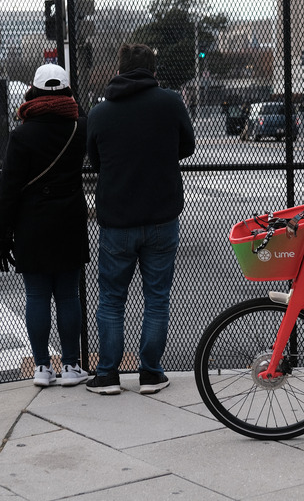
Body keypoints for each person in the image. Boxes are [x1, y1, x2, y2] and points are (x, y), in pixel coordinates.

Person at [85, 43, 196, 395]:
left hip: (117, 219)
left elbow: (95, 160)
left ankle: (107, 375)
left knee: (111, 299)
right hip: (162, 215)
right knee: (157, 298)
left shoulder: (100, 112)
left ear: (119, 70)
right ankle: (150, 373)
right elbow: (187, 146)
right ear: (153, 70)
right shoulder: (170, 103)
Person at [0, 63, 92, 388]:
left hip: (31, 224)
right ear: (67, 91)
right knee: (68, 296)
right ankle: (71, 366)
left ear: (33, 92)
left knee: (36, 295)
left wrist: (2, 234)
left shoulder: (22, 134)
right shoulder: (79, 128)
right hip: (69, 221)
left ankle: (41, 367)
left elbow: (9, 188)